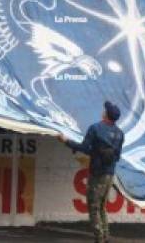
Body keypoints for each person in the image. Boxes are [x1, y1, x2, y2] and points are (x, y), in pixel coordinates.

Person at [58, 101, 124, 243]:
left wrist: (66, 141)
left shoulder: (95, 129)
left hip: (97, 174)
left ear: (106, 114)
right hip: (109, 174)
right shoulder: (120, 134)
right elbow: (117, 156)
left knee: (93, 207)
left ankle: (99, 238)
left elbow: (84, 147)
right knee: (102, 207)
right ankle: (105, 236)